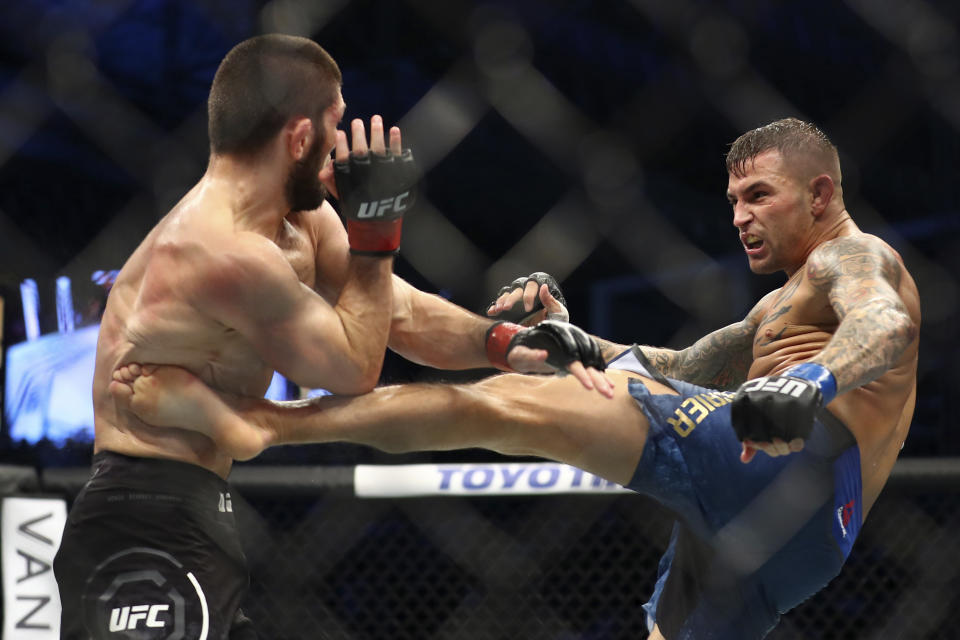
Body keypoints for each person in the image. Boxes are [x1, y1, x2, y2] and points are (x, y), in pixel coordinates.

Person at [111, 117, 920, 639]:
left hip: (797, 467)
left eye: (759, 195)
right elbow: (673, 370)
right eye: (733, 198)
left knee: (514, 408)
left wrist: (806, 385)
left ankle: (268, 423)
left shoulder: (857, 256)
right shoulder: (774, 309)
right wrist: (571, 338)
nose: (739, 215)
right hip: (778, 532)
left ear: (819, 194)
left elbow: (886, 323)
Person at [53, 34, 608, 640]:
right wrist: (377, 238)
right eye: (335, 125)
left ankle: (248, 423)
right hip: (140, 521)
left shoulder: (301, 221)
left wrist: (501, 343)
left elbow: (397, 313)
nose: (342, 150)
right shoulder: (216, 249)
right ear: (298, 137)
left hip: (198, 510)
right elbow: (351, 368)